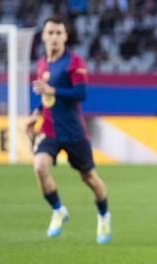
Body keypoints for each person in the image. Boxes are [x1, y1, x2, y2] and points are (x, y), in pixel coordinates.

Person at [26, 16, 110, 244]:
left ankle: (103, 216)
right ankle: (58, 210)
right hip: (50, 129)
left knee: (90, 178)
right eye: (50, 32)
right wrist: (35, 114)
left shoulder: (74, 61)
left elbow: (81, 94)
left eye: (58, 33)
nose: (54, 37)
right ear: (43, 36)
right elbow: (45, 96)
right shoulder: (42, 63)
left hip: (73, 132)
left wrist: (53, 90)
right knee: (40, 167)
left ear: (65, 36)